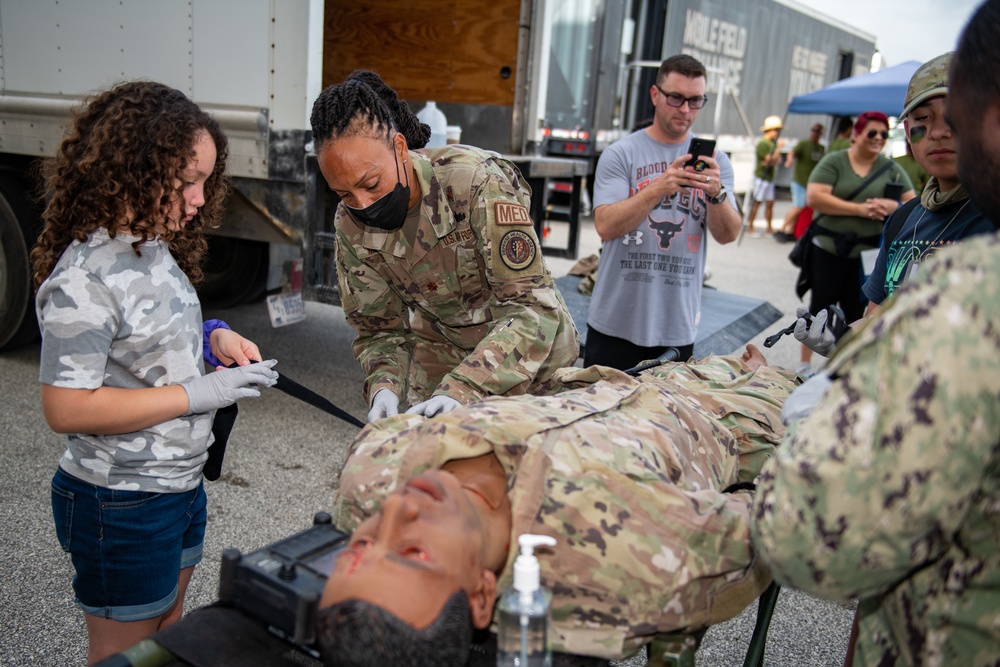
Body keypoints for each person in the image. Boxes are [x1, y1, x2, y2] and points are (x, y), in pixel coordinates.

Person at [750, 1, 1000, 663]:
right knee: (881, 610)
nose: (939, 136)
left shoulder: (986, 228)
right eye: (921, 126)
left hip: (939, 466)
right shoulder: (906, 220)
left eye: (955, 120)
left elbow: (813, 540)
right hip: (896, 449)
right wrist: (840, 332)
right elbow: (877, 306)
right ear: (907, 141)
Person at [317, 345, 799, 665]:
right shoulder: (630, 549)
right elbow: (779, 529)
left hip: (615, 381)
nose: (397, 511)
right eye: (415, 554)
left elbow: (375, 445)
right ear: (483, 596)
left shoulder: (371, 473)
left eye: (362, 544)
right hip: (731, 413)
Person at [31, 81, 279, 665]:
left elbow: (151, 335)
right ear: (138, 167)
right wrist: (199, 392)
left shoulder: (152, 244)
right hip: (121, 501)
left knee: (165, 641)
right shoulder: (83, 280)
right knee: (127, 655)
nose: (199, 199)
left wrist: (213, 336)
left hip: (177, 486)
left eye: (206, 182)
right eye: (187, 180)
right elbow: (66, 407)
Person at [309, 70, 579, 423]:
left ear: (400, 148)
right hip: (443, 362)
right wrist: (385, 389)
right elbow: (380, 329)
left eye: (371, 184)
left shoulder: (476, 182)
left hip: (531, 362)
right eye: (344, 194)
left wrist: (465, 388)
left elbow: (533, 310)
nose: (362, 204)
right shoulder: (350, 224)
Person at [585, 54, 741, 370]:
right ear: (655, 95)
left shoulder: (717, 163)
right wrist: (660, 187)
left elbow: (728, 235)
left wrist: (716, 194)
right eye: (676, 98)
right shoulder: (621, 154)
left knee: (664, 419)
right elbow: (605, 225)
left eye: (695, 101)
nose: (685, 109)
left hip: (676, 328)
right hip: (615, 323)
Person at [861, 52, 992, 316]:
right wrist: (836, 342)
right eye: (923, 118)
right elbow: (874, 318)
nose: (938, 132)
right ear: (908, 132)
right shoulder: (904, 217)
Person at [795, 111, 915, 375]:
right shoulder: (835, 161)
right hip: (828, 247)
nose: (879, 138)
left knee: (857, 309)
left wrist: (893, 205)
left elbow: (913, 202)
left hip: (868, 252)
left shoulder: (890, 168)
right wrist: (859, 210)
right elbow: (815, 197)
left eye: (884, 134)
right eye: (872, 132)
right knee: (820, 305)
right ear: (856, 134)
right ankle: (804, 365)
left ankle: (843, 366)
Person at [775, 123, 825, 243]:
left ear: (821, 133)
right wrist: (789, 160)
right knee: (799, 206)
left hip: (810, 184)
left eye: (817, 131)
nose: (814, 133)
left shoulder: (821, 148)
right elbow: (792, 153)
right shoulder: (804, 144)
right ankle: (781, 230)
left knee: (798, 207)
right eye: (813, 130)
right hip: (799, 182)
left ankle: (790, 231)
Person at [746, 115, 784, 236]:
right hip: (761, 176)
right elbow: (769, 160)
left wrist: (772, 159)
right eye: (776, 130)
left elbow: (777, 161)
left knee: (770, 203)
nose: (778, 133)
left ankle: (769, 227)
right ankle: (750, 226)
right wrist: (776, 152)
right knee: (757, 202)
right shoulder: (763, 143)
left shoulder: (772, 143)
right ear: (770, 130)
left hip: (769, 177)